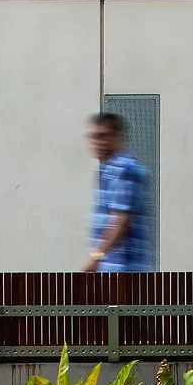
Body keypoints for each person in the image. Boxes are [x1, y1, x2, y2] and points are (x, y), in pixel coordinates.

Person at [81, 113, 152, 273]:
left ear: (118, 137)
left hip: (124, 268)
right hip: (110, 268)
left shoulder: (125, 170)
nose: (97, 142)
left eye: (103, 136)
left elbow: (121, 220)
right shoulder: (108, 170)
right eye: (93, 136)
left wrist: (96, 257)